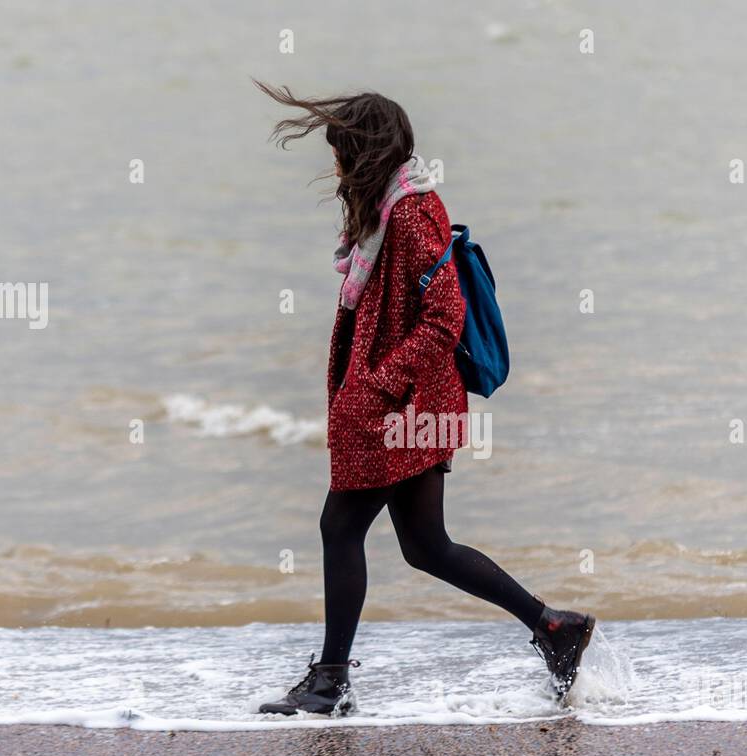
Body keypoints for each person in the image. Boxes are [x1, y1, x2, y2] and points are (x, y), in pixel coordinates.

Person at [253, 82, 595, 716]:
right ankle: (554, 628)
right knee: (425, 545)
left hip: (403, 409)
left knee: (340, 527)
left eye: (340, 151)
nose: (334, 166)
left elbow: (444, 315)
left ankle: (330, 681)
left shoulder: (410, 213)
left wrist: (379, 385)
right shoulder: (392, 209)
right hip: (411, 404)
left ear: (364, 151)